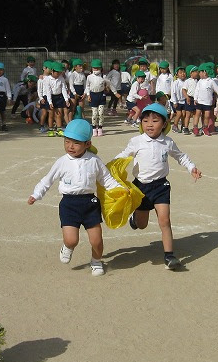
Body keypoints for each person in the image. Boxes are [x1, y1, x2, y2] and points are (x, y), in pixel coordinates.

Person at [28, 119, 122, 277]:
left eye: (76, 143)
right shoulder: (62, 162)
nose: (70, 146)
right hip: (69, 204)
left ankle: (96, 261)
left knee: (97, 240)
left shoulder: (94, 160)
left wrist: (120, 190)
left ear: (87, 144)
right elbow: (48, 179)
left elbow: (107, 180)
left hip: (90, 204)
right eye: (67, 141)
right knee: (72, 240)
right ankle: (67, 247)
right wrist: (36, 194)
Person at [115, 103, 201, 270]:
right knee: (142, 225)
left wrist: (192, 167)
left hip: (161, 186)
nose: (149, 124)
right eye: (145, 120)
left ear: (164, 124)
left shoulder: (167, 142)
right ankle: (135, 218)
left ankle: (169, 256)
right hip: (140, 188)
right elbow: (123, 155)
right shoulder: (136, 141)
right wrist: (111, 166)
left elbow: (181, 156)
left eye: (155, 121)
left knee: (165, 220)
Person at [84, 59, 119, 137]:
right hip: (93, 95)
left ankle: (100, 128)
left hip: (101, 95)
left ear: (101, 68)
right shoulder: (89, 77)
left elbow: (110, 85)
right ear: (92, 68)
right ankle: (94, 128)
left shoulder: (104, 76)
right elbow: (87, 86)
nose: (96, 70)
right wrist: (88, 95)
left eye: (98, 68)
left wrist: (115, 93)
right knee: (94, 113)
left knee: (101, 113)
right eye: (94, 68)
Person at [192, 64, 218, 136]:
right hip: (199, 101)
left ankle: (205, 128)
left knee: (207, 116)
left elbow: (217, 90)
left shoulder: (211, 81)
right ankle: (195, 128)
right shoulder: (200, 81)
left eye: (200, 72)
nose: (199, 74)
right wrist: (195, 99)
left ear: (204, 72)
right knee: (197, 114)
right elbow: (196, 90)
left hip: (208, 102)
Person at [44, 61, 70, 137]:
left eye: (60, 72)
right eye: (57, 72)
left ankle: (59, 129)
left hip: (59, 97)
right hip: (51, 97)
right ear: (52, 71)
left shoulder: (61, 78)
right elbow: (48, 91)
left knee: (59, 114)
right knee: (51, 114)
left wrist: (66, 100)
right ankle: (50, 129)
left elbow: (63, 89)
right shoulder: (47, 79)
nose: (58, 74)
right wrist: (50, 102)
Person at [181, 65, 199, 135]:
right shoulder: (187, 81)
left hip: (196, 99)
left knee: (195, 114)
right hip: (189, 98)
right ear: (191, 73)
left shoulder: (198, 81)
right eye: (195, 72)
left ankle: (195, 127)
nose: (197, 73)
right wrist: (186, 97)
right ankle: (185, 127)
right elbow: (184, 90)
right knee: (188, 114)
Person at [169, 66, 187, 133]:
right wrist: (174, 102)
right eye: (180, 73)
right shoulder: (176, 82)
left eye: (184, 72)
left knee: (184, 114)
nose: (182, 74)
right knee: (178, 114)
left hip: (184, 101)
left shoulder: (186, 81)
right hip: (176, 101)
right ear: (177, 75)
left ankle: (183, 126)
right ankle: (175, 126)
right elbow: (173, 93)